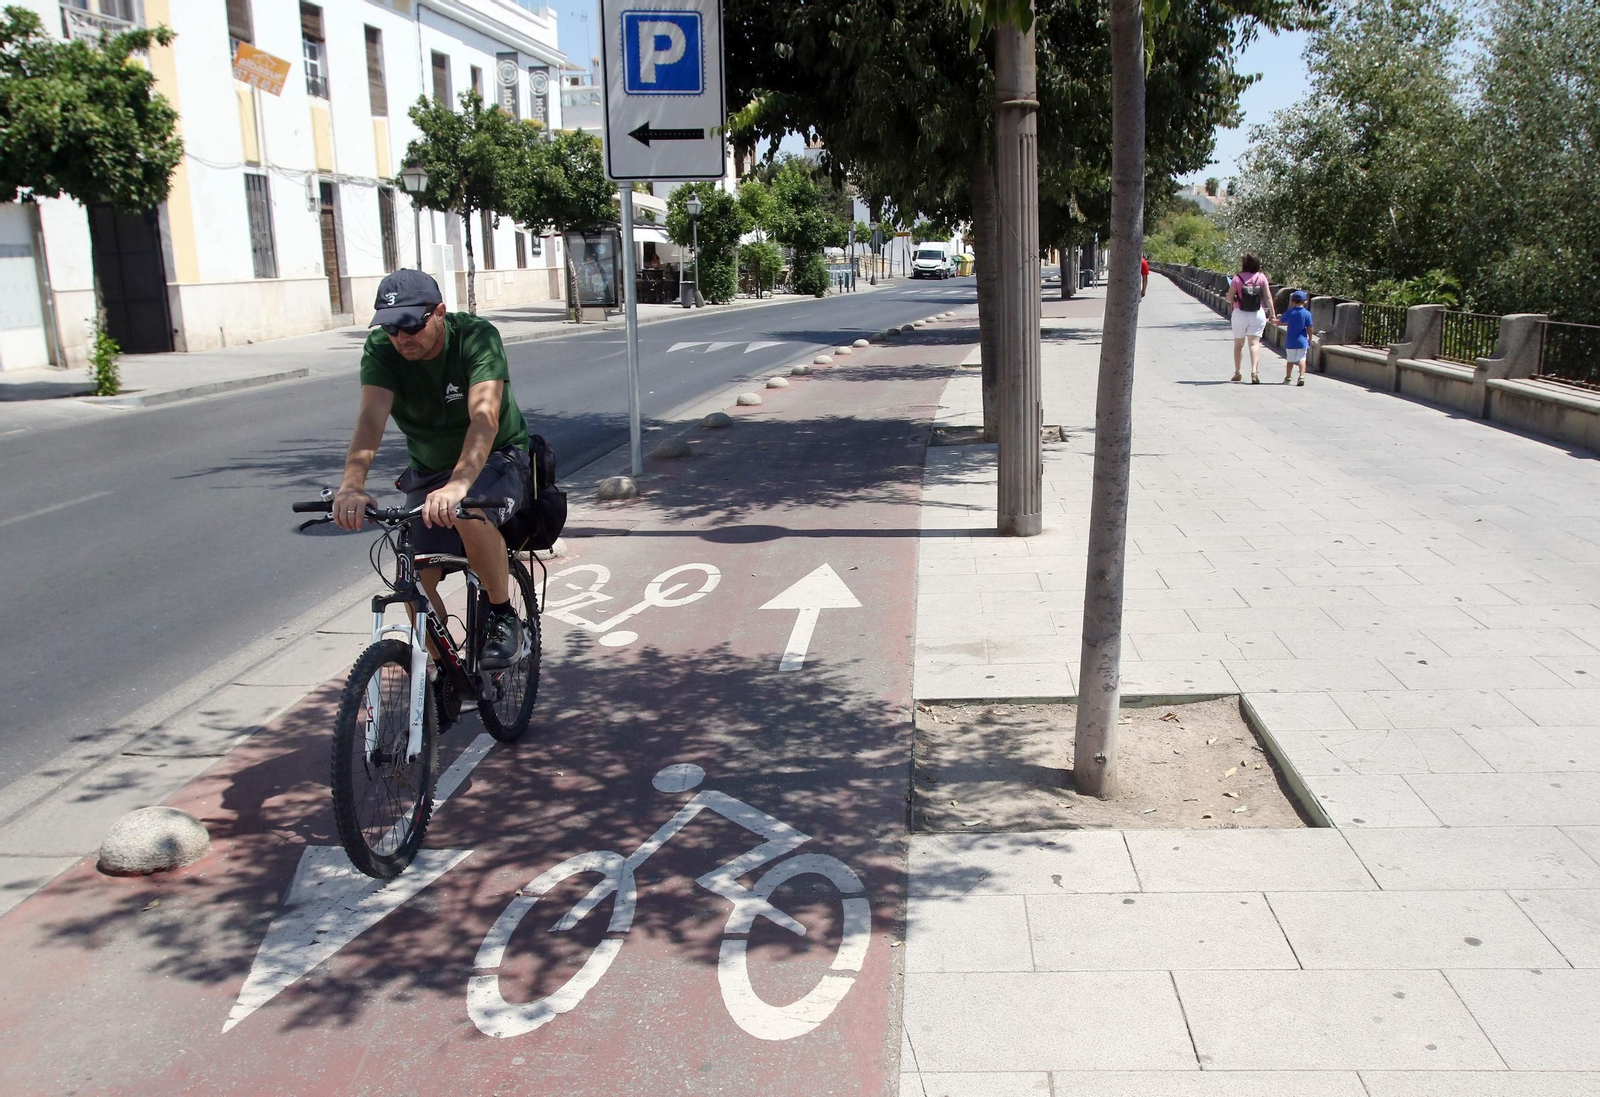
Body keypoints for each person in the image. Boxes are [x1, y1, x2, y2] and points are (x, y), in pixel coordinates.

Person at [332, 270, 530, 668]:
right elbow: (371, 420)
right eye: (391, 328)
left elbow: (485, 417)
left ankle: (504, 615)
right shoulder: (382, 349)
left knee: (469, 511)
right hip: (429, 470)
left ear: (439, 312)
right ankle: (445, 671)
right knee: (413, 576)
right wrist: (351, 485)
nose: (402, 338)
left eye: (411, 326)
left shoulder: (476, 337)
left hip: (496, 456)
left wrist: (459, 485)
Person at [1228, 253, 1275, 383]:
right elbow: (1268, 297)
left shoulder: (1237, 278)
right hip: (1257, 313)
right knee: (1254, 343)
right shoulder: (1261, 277)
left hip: (1239, 313)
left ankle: (1237, 372)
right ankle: (1254, 371)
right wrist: (1273, 313)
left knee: (1238, 345)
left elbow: (1229, 298)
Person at [1279, 290, 1315, 386]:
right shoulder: (1307, 314)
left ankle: (1288, 377)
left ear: (1293, 301)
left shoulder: (1290, 312)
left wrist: (1272, 320)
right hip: (1302, 341)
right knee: (1302, 359)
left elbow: (1281, 321)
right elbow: (1310, 327)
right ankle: (1302, 376)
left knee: (1290, 360)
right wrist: (1310, 337)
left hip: (1290, 341)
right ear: (1305, 301)